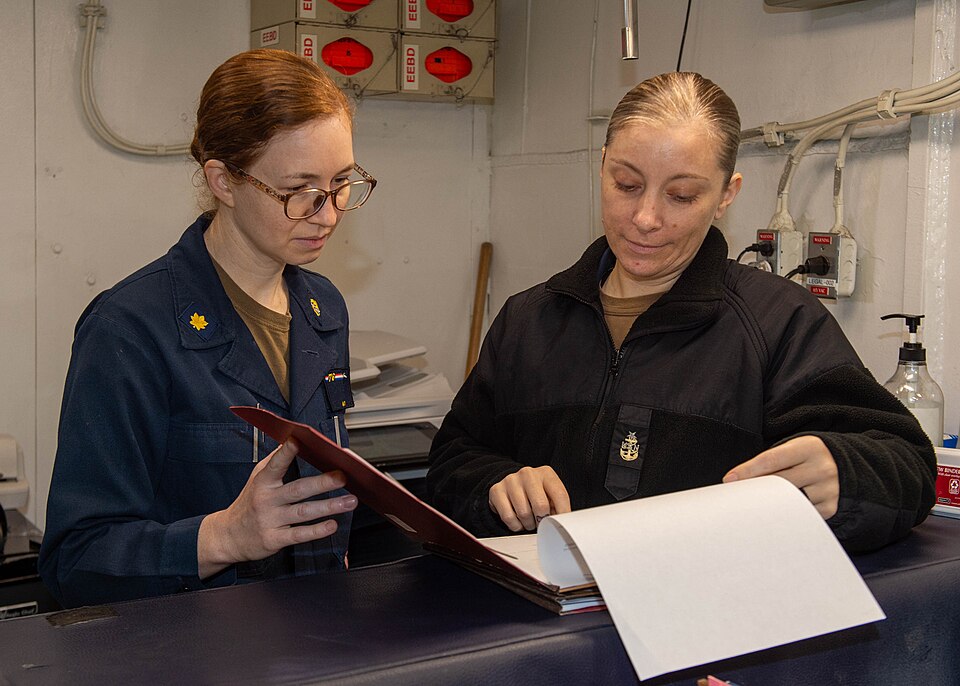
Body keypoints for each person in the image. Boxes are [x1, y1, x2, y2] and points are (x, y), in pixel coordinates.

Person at [426, 71, 936, 552]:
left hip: (703, 626)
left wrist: (845, 474)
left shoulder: (778, 322)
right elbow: (453, 460)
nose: (646, 218)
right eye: (626, 184)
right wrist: (495, 485)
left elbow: (908, 466)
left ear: (725, 196)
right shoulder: (530, 320)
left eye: (682, 195)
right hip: (544, 626)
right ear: (602, 166)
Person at [39, 49, 377, 607]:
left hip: (315, 637)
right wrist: (222, 537)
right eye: (299, 190)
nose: (329, 213)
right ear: (223, 180)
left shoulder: (323, 309)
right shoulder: (130, 329)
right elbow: (77, 558)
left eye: (342, 183)